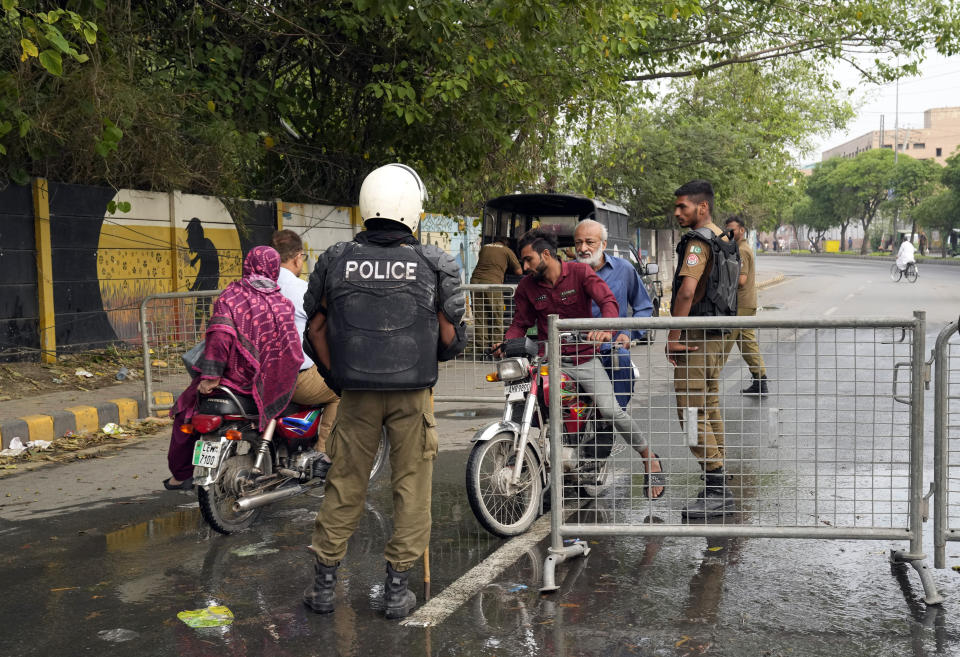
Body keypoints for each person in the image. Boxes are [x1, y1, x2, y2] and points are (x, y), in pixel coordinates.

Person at [301, 163, 466, 620]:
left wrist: (340, 380)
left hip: (354, 396)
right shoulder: (435, 262)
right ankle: (396, 591)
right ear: (412, 210)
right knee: (411, 488)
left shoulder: (335, 258)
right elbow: (452, 339)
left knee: (344, 484)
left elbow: (313, 329)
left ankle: (323, 586)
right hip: (413, 397)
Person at [496, 229, 665, 499]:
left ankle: (648, 455)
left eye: (528, 260)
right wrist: (507, 343)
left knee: (611, 410)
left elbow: (608, 302)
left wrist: (604, 328)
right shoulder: (527, 287)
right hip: (548, 361)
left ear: (546, 255)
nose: (524, 267)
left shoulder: (579, 273)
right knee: (525, 403)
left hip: (584, 358)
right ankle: (526, 462)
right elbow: (520, 323)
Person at [163, 246, 302, 490]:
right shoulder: (282, 303)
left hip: (231, 381)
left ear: (248, 264)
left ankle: (180, 474)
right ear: (274, 268)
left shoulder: (232, 296)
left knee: (185, 409)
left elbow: (220, 338)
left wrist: (210, 377)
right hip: (266, 384)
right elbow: (290, 351)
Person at [666, 180, 734, 519]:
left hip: (695, 337)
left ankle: (716, 486)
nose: (677, 212)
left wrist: (672, 334)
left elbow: (686, 291)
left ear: (702, 207)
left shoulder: (697, 242)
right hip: (719, 336)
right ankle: (717, 481)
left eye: (683, 207)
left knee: (690, 413)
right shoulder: (723, 238)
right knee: (708, 406)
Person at [271, 229, 340, 476]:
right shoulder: (302, 290)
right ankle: (323, 453)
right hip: (292, 379)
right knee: (340, 389)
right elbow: (326, 327)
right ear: (298, 258)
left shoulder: (253, 285)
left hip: (256, 377)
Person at [573, 218, 654, 408]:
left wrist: (628, 333)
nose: (583, 248)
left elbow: (643, 307)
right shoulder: (567, 271)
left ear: (604, 244)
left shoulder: (624, 269)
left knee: (621, 362)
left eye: (589, 242)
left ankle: (611, 425)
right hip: (573, 347)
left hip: (611, 346)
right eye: (578, 242)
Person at [719, 216, 768, 396]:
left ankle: (709, 378)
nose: (729, 232)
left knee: (723, 343)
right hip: (744, 303)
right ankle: (760, 380)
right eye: (727, 229)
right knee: (747, 344)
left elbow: (741, 280)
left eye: (732, 229)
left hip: (740, 305)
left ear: (742, 230)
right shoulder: (738, 248)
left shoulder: (742, 251)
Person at [469, 235, 521, 357]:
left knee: (480, 316)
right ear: (506, 243)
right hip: (492, 283)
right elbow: (519, 271)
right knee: (496, 315)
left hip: (475, 282)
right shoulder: (506, 250)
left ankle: (482, 351)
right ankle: (496, 348)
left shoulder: (484, 247)